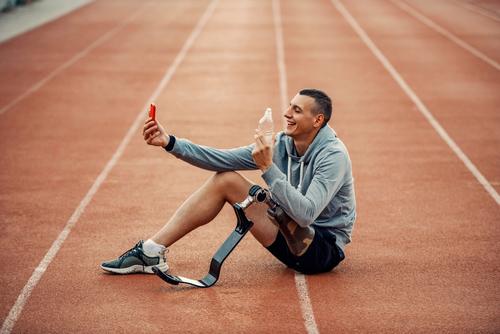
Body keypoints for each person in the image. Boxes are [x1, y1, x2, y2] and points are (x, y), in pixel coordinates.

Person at [101, 88, 356, 276]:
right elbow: (220, 159)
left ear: (318, 120)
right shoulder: (279, 143)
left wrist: (267, 168)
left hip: (322, 249)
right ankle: (151, 251)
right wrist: (170, 143)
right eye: (289, 106)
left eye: (297, 110)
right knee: (225, 178)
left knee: (234, 182)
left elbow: (306, 215)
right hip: (287, 233)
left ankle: (149, 253)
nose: (287, 114)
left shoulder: (333, 155)